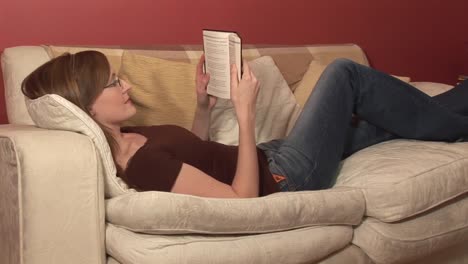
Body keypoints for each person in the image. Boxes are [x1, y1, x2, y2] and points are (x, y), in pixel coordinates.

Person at [21, 50, 468, 198]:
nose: (128, 86)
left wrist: (202, 104)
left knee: (384, 125)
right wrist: (245, 112)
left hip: (275, 154)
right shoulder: (141, 168)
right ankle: (449, 125)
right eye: (115, 83)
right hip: (284, 174)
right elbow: (241, 198)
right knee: (343, 74)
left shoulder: (140, 139)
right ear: (88, 107)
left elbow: (197, 155)